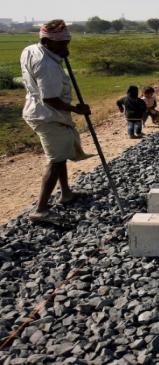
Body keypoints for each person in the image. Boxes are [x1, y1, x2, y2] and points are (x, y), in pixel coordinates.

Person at [20, 19, 94, 223]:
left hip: (40, 111)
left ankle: (66, 193)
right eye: (61, 44)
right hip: (48, 116)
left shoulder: (31, 49)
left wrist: (60, 53)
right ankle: (40, 209)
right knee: (55, 160)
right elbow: (50, 98)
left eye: (67, 42)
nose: (65, 47)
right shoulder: (47, 65)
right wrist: (76, 109)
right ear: (46, 41)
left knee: (60, 154)